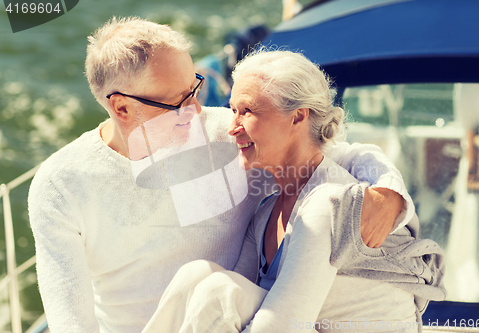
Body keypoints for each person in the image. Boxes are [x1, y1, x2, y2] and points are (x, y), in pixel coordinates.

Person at [29, 17, 414, 332]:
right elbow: (71, 325)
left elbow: (330, 152)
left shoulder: (233, 133)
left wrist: (389, 193)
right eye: (178, 101)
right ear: (123, 109)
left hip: (230, 317)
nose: (197, 110)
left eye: (194, 88)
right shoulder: (61, 184)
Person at [142, 50, 445, 333]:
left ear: (298, 118)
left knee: (218, 292)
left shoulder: (329, 202)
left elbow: (282, 327)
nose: (233, 127)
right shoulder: (266, 213)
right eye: (233, 110)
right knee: (196, 275)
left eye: (247, 111)